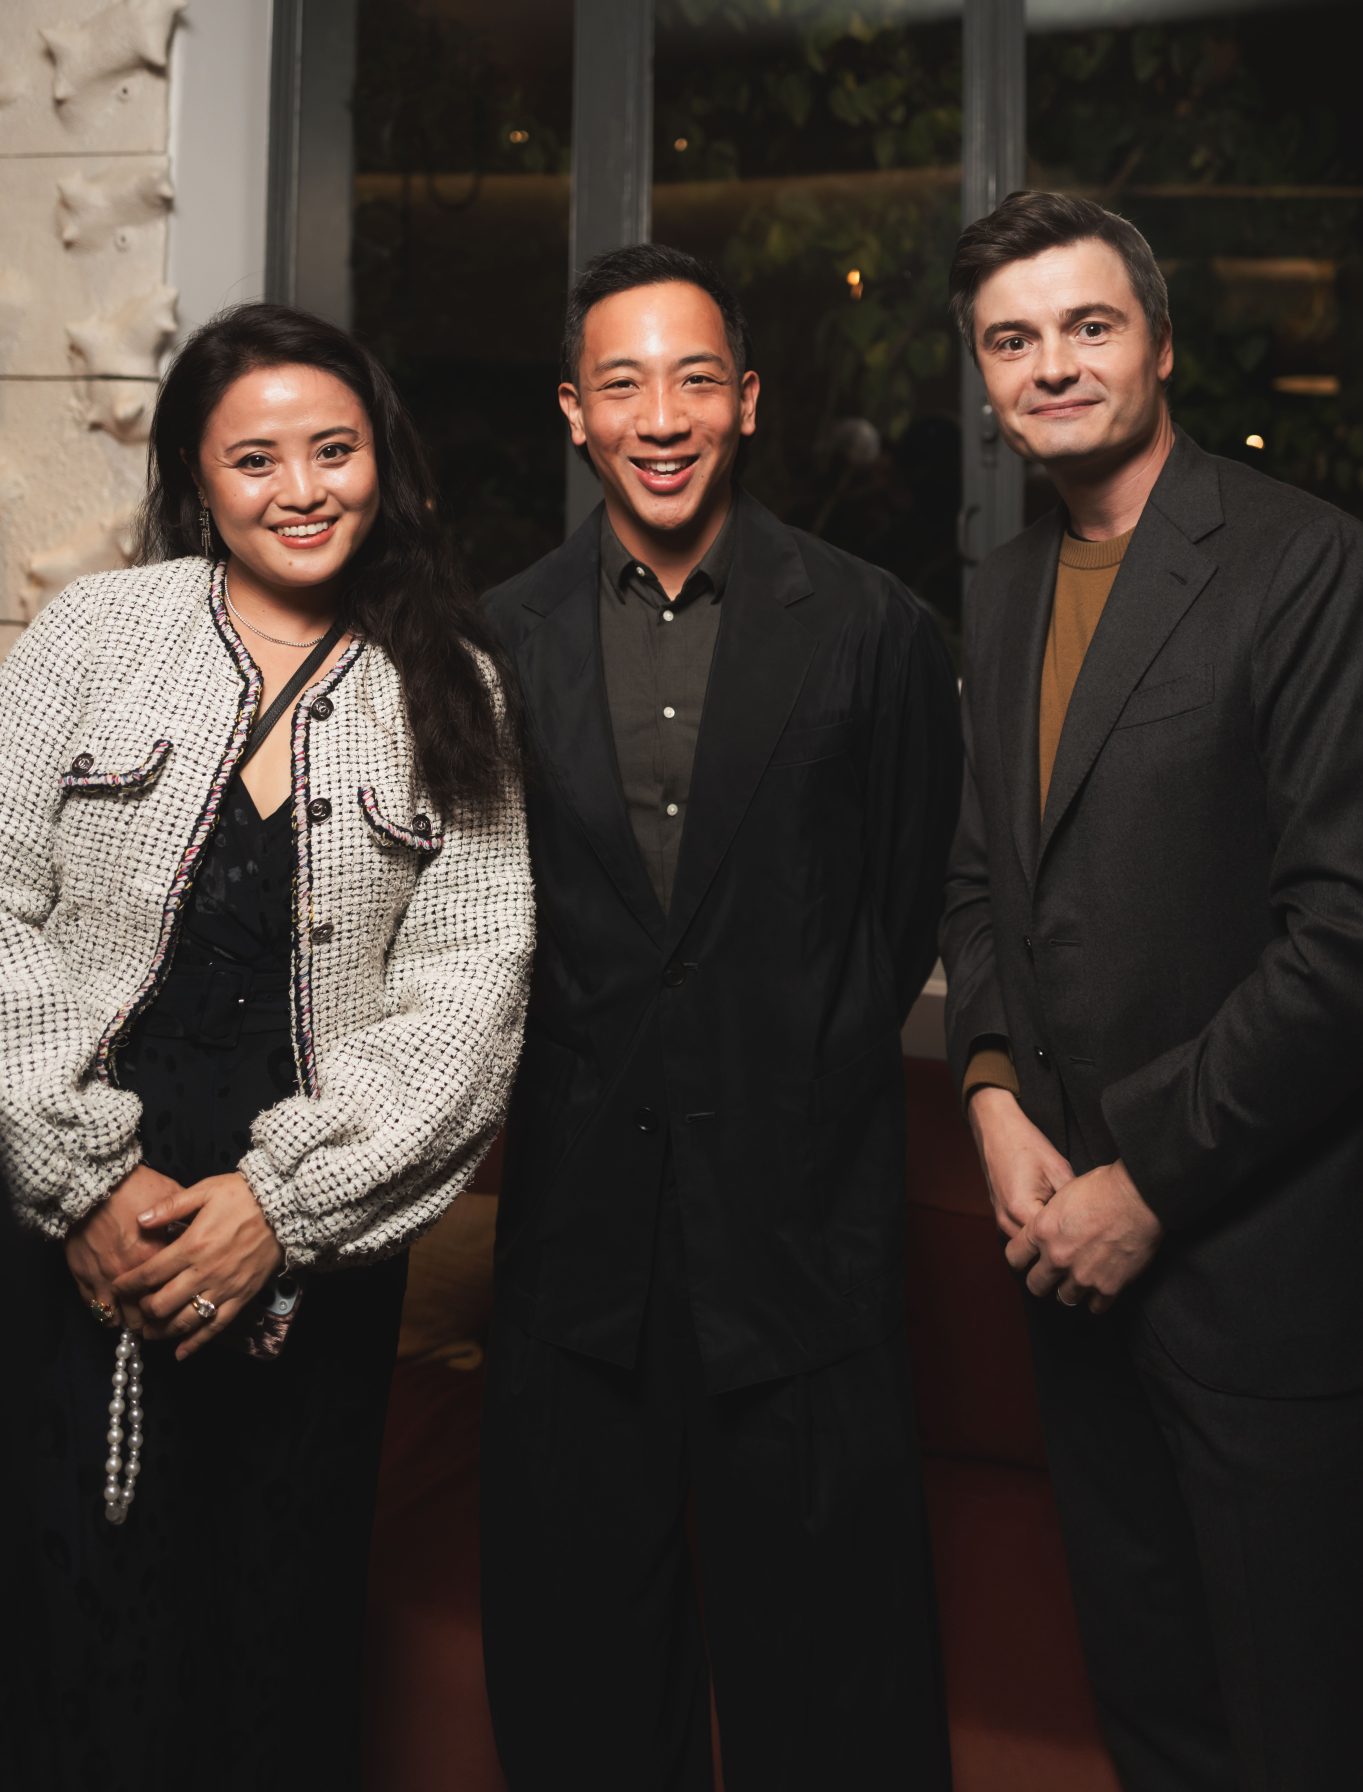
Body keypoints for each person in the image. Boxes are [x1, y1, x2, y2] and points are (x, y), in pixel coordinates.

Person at [0, 304, 533, 1791]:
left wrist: (279, 1213)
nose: (302, 488)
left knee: (270, 1650)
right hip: (64, 1238)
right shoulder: (97, 636)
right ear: (197, 476)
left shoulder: (454, 687)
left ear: (386, 465)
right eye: (257, 458)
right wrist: (76, 1182)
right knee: (61, 1632)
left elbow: (470, 991)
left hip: (304, 1269)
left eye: (335, 450)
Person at [479, 243, 961, 1789]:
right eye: (622, 382)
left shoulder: (874, 629)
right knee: (583, 1686)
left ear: (748, 401)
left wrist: (784, 1064)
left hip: (804, 1237)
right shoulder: (495, 642)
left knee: (835, 1688)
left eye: (695, 377)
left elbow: (889, 919)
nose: (661, 414)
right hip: (578, 1250)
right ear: (575, 413)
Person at [940, 190, 1363, 1791]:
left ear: (1162, 345)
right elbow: (983, 881)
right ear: (985, 379)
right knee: (1153, 1714)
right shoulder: (996, 586)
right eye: (1014, 339)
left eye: (1089, 326)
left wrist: (1147, 1178)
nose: (1053, 365)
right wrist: (987, 1094)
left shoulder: (1307, 566)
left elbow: (1346, 939)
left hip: (1258, 1273)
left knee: (1300, 1725)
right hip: (1064, 1268)